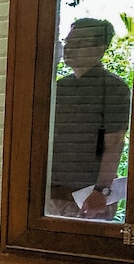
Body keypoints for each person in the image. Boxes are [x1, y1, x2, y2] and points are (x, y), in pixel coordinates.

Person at [48, 17, 131, 219]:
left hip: (88, 196)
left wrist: (101, 191)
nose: (69, 48)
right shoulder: (60, 87)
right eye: (68, 42)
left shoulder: (114, 89)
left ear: (100, 49)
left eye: (78, 43)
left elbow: (114, 143)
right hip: (53, 192)